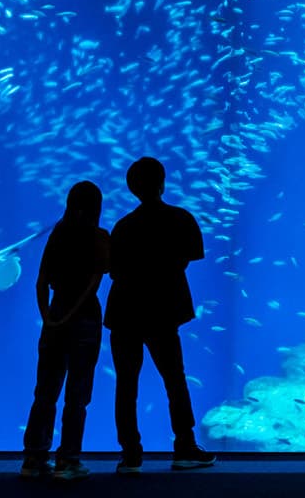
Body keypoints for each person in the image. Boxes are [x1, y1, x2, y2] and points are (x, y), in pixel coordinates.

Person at [106, 157, 215, 473]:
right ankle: (184, 446)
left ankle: (130, 454)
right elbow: (191, 256)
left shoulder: (123, 227)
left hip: (125, 310)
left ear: (131, 188)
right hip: (162, 310)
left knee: (126, 384)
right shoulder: (181, 219)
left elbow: (113, 270)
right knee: (175, 380)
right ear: (162, 183)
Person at [22, 181, 112, 481]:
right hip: (84, 318)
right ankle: (68, 460)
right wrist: (68, 316)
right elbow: (94, 283)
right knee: (78, 393)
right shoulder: (99, 236)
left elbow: (40, 281)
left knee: (44, 391)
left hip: (55, 312)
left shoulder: (57, 235)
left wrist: (48, 316)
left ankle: (34, 459)